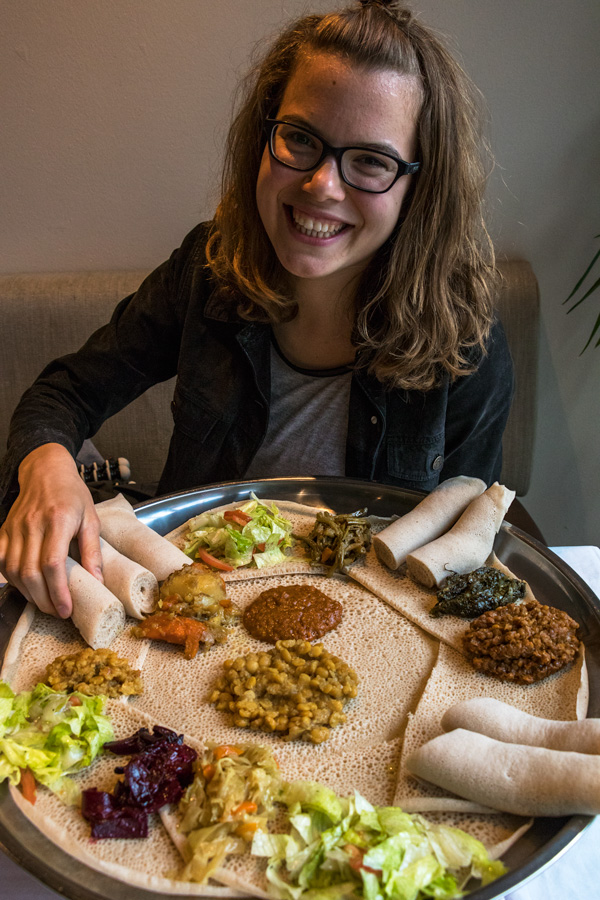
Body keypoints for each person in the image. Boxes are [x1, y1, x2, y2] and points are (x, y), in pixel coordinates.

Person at [0, 0, 513, 620]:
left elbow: (466, 538)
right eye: (300, 138)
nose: (322, 185)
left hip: (370, 628)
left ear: (418, 188)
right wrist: (47, 462)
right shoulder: (206, 268)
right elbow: (64, 395)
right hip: (192, 606)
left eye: (371, 161)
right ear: (262, 140)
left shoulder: (465, 340)